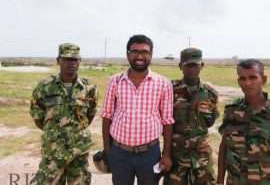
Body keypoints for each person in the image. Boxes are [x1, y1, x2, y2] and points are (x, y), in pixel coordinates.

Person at [101, 34, 175, 185]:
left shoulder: (163, 84)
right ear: (127, 54)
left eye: (145, 52)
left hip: (149, 153)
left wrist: (166, 154)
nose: (140, 56)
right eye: (134, 51)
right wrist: (108, 150)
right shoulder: (115, 81)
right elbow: (107, 116)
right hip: (119, 152)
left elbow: (167, 121)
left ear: (151, 55)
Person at [217, 59, 270, 185]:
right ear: (238, 81)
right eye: (243, 78)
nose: (247, 83)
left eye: (253, 77)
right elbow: (224, 147)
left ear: (263, 79)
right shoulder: (232, 110)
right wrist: (219, 181)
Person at [29, 43, 98, 185]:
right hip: (53, 152)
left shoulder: (89, 88)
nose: (71, 63)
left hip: (79, 151)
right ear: (58, 60)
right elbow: (38, 116)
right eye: (66, 59)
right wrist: (54, 132)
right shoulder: (44, 87)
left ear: (80, 61)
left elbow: (90, 114)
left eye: (75, 59)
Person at [164, 48, 219, 185]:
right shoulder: (169, 90)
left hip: (201, 158)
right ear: (180, 66)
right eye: (188, 65)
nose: (192, 69)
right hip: (176, 157)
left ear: (202, 66)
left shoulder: (210, 94)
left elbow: (210, 122)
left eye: (195, 65)